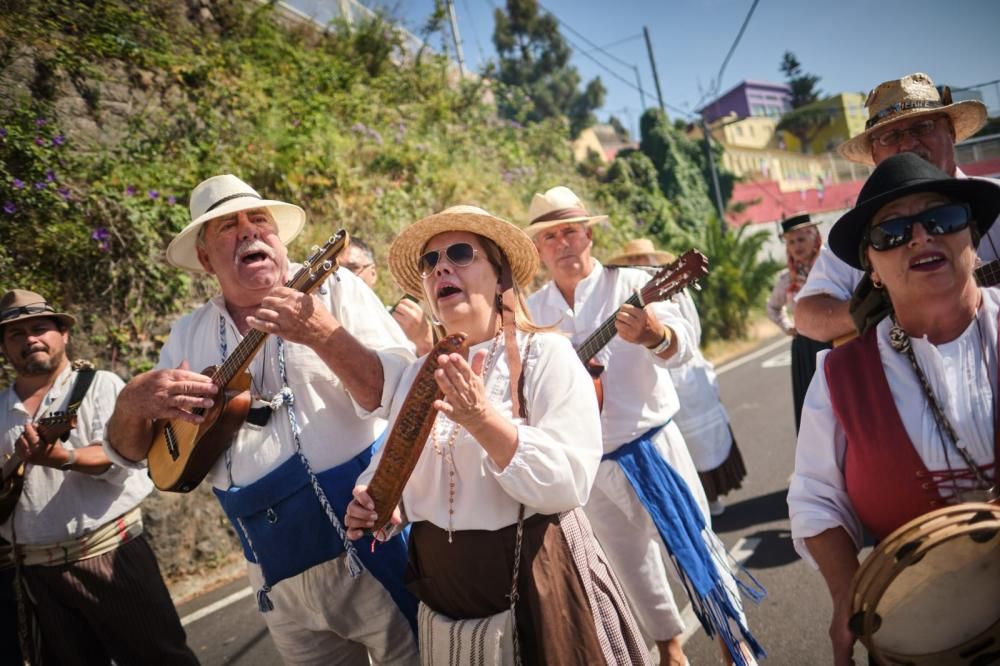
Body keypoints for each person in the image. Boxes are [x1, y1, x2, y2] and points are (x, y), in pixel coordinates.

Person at [103, 175, 419, 665]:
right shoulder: (189, 334)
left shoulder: (335, 290)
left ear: (278, 238)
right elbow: (127, 455)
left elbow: (400, 396)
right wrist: (131, 405)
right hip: (273, 569)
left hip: (367, 540)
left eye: (259, 221)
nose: (249, 232)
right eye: (228, 227)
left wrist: (323, 334)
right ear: (206, 258)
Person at [345, 205, 650, 664]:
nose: (441, 267)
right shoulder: (415, 375)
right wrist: (375, 501)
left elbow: (570, 481)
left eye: (460, 253)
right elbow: (394, 470)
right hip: (446, 600)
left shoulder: (547, 355)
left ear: (499, 275)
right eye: (430, 262)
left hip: (536, 583)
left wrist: (482, 420)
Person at [525, 187, 763, 666]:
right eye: (550, 236)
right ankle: (669, 648)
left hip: (651, 445)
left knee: (694, 542)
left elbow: (684, 349)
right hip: (588, 463)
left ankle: (732, 640)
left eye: (571, 231)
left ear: (589, 234)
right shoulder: (530, 311)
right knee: (628, 565)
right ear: (537, 249)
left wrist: (655, 334)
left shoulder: (634, 282)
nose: (563, 243)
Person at [787, 152, 1000, 665]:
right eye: (892, 233)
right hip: (922, 637)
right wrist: (846, 591)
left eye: (941, 219)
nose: (921, 238)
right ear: (873, 271)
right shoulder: (838, 376)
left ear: (971, 238)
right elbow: (815, 501)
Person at [0, 289, 197, 665]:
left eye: (40, 328)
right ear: (5, 349)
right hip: (36, 573)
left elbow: (118, 455)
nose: (30, 340)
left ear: (64, 334)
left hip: (111, 553)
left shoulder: (101, 385)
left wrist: (63, 456)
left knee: (160, 659)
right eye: (16, 335)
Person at [795, 72, 1000, 344]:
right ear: (873, 155)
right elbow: (806, 315)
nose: (908, 144)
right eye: (890, 136)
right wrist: (880, 306)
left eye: (922, 127)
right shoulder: (862, 229)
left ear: (950, 131)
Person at [608, 238, 747, 516]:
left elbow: (690, 333)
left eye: (642, 259)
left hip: (684, 374)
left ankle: (709, 501)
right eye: (632, 260)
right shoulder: (624, 292)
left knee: (698, 442)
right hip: (652, 381)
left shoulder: (672, 289)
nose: (638, 265)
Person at [766, 214, 833, 432]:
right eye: (791, 242)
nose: (796, 246)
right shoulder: (787, 279)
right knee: (814, 408)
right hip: (805, 347)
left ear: (815, 238)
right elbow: (773, 307)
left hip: (834, 340)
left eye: (801, 239)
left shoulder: (832, 266)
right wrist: (788, 327)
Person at [344, 236, 436, 357]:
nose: (344, 276)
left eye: (352, 269)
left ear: (373, 273)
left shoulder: (405, 323)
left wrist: (424, 341)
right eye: (336, 270)